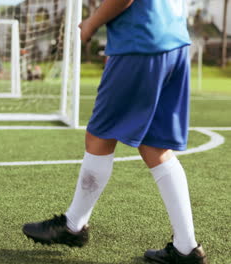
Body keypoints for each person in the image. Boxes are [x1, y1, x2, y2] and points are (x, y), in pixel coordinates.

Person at [22, 0, 208, 263]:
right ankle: (186, 247)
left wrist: (91, 23)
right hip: (174, 42)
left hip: (140, 43)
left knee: (99, 136)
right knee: (155, 147)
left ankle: (73, 225)